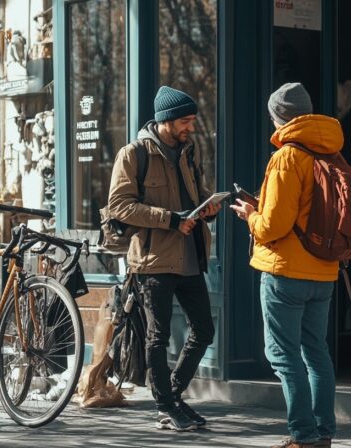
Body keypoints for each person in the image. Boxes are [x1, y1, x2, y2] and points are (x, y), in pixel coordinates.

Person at [231, 82, 338, 448]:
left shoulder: (287, 156)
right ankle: (323, 432)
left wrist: (250, 215)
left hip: (285, 272)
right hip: (324, 270)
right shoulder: (330, 151)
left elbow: (273, 225)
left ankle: (303, 436)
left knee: (283, 355)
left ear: (278, 117)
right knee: (317, 353)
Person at [107, 86, 221, 432]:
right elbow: (120, 206)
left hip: (190, 256)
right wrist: (172, 219)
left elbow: (196, 196)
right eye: (186, 121)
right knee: (157, 337)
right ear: (166, 121)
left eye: (192, 121)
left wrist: (209, 208)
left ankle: (173, 395)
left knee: (204, 329)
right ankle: (164, 407)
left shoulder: (188, 151)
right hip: (153, 260)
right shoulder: (133, 154)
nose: (192, 128)